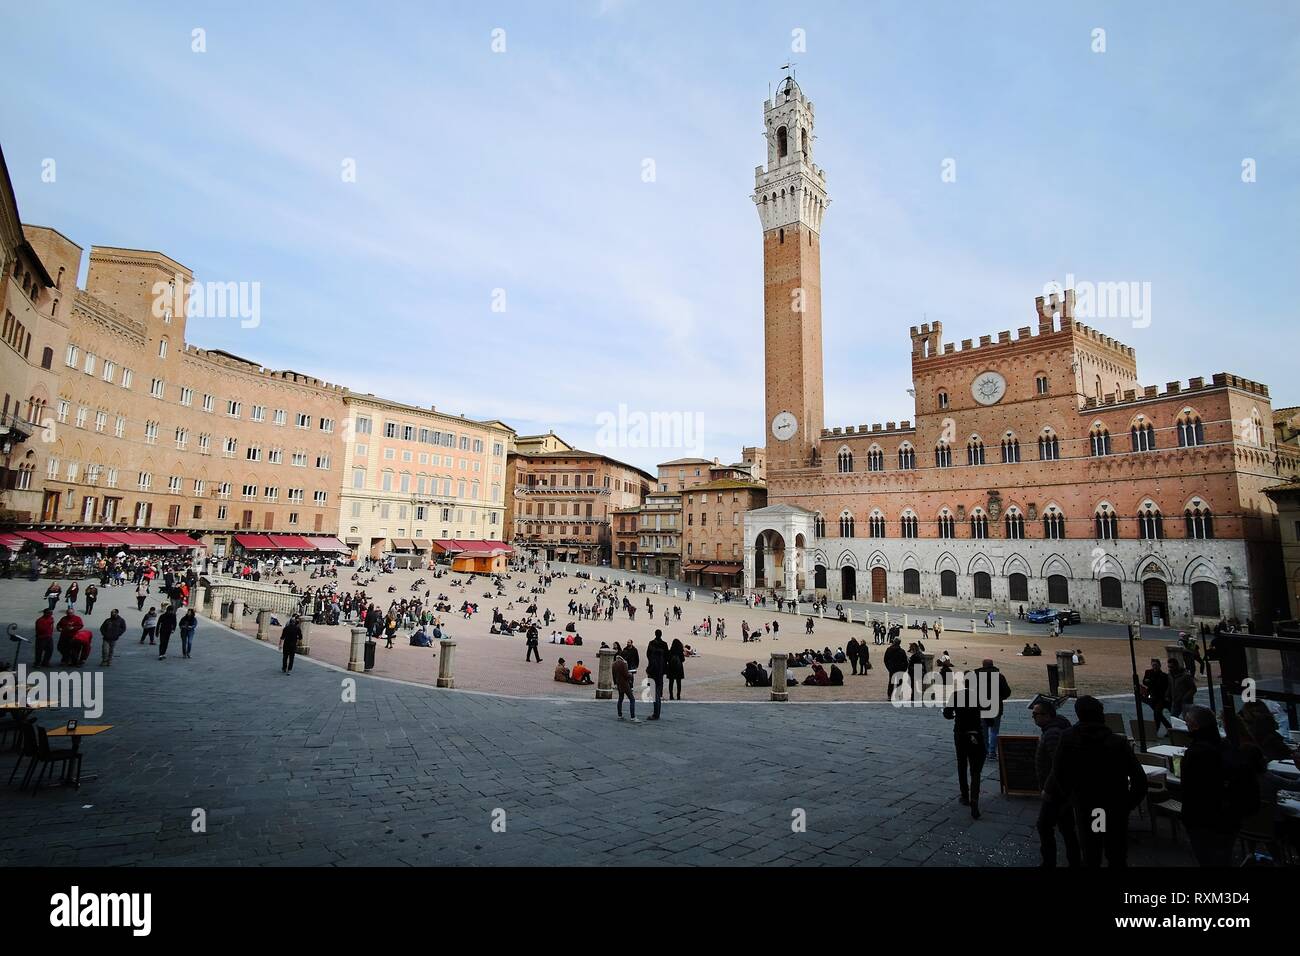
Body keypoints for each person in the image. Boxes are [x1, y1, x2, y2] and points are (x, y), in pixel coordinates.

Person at [1046, 696, 1148, 867]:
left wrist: (1072, 797)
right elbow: (1139, 780)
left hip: (1089, 807)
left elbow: (1058, 772)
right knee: (1116, 856)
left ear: (1078, 714)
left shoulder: (1069, 739)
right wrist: (1127, 804)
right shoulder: (1117, 742)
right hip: (1114, 807)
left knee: (1092, 853)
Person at [1180, 705, 1260, 866]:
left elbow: (1190, 790)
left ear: (1194, 726)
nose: (1187, 727)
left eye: (1188, 724)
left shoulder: (1197, 753)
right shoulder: (1227, 747)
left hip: (1203, 821)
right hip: (1229, 819)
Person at [1032, 699, 1081, 867]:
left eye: (1036, 714)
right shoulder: (1057, 728)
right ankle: (1075, 861)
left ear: (1047, 715)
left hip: (1055, 792)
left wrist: (1048, 789)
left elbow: (1057, 764)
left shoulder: (1052, 733)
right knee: (1067, 829)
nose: (1034, 718)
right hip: (1063, 791)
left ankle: (1049, 863)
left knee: (1044, 826)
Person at [943, 671, 986, 819]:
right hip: (976, 733)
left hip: (961, 733)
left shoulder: (956, 695)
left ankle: (964, 795)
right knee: (976, 770)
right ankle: (975, 799)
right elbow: (989, 716)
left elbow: (947, 714)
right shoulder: (981, 695)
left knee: (962, 764)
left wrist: (955, 714)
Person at [973, 659, 1011, 756]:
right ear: (992, 665)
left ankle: (985, 750)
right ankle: (992, 752)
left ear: (982, 665)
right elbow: (1007, 692)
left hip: (981, 707)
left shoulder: (976, 677)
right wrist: (999, 698)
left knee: (983, 730)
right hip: (995, 706)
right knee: (994, 730)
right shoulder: (1000, 677)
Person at [1141, 658, 1172, 735]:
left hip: (1160, 698)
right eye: (1153, 665)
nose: (1154, 666)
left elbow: (1163, 687)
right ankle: (1169, 728)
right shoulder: (1148, 672)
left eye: (1156, 665)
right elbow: (1145, 681)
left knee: (1157, 713)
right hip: (1152, 697)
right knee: (1158, 713)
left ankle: (1157, 730)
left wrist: (1150, 682)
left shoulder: (1164, 676)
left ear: (1159, 665)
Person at [645, 629, 669, 720]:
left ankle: (655, 714)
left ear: (655, 634)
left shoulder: (651, 643)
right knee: (658, 692)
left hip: (653, 670)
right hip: (661, 671)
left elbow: (648, 655)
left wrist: (651, 663)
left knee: (654, 693)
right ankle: (657, 713)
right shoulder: (664, 644)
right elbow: (667, 656)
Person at [613, 652, 639, 722]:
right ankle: (633, 717)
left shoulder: (613, 664)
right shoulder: (624, 664)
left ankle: (619, 715)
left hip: (619, 684)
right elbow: (626, 675)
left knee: (620, 699)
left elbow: (614, 676)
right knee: (632, 699)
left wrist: (615, 683)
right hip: (625, 684)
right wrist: (631, 674)